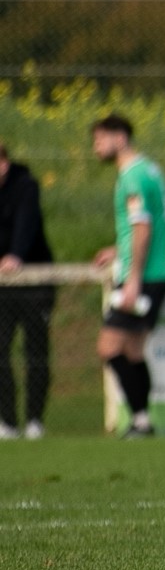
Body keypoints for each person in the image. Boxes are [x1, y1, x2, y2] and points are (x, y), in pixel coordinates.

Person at [89, 115, 165, 439]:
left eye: (99, 140)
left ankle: (140, 420)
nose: (95, 147)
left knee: (108, 347)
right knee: (133, 351)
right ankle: (143, 421)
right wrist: (118, 249)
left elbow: (142, 226)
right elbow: (147, 226)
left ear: (119, 138)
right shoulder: (150, 169)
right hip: (156, 271)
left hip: (143, 275)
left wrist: (133, 276)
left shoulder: (132, 177)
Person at [0, 143, 55, 440]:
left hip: (34, 282)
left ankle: (35, 420)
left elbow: (26, 223)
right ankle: (7, 422)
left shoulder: (26, 186)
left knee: (36, 352)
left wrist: (16, 255)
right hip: (3, 287)